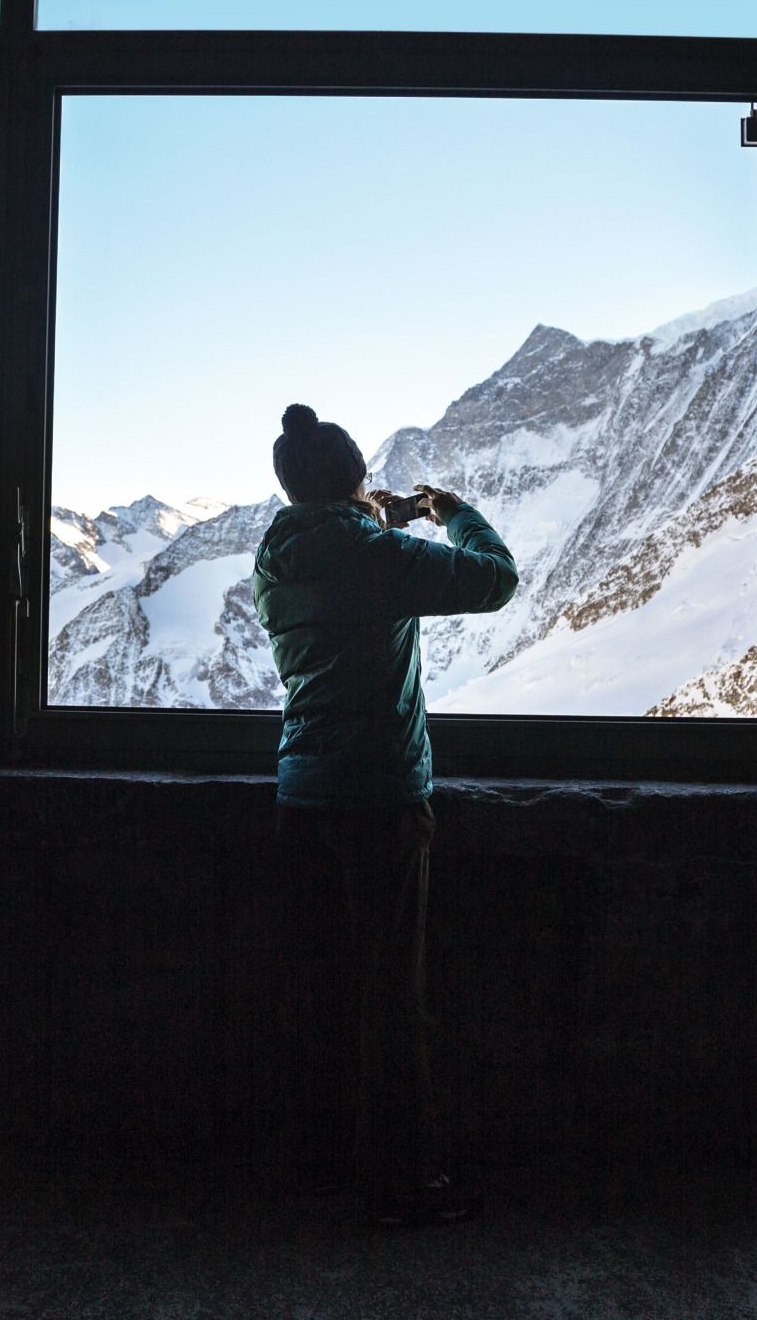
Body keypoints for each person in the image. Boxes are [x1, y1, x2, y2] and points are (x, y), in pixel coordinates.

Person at [251, 402, 518, 1230]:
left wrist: (368, 516)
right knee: (392, 995)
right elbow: (494, 578)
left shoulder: (274, 556)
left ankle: (315, 1162)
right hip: (380, 796)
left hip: (302, 793)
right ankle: (402, 1181)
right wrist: (449, 511)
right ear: (356, 479)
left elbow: (335, 557)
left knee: (316, 987)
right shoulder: (379, 555)